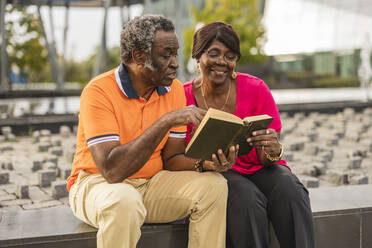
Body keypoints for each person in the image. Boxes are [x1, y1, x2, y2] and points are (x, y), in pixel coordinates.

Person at [67, 15, 237, 248]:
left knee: (214, 186)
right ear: (139, 57)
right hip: (97, 185)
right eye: (166, 55)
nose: (175, 63)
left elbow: (172, 158)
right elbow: (112, 170)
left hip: (151, 185)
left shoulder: (173, 89)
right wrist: (166, 121)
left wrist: (208, 164)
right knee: (124, 202)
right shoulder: (98, 91)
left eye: (175, 54)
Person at [183, 21, 315, 248]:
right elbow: (176, 155)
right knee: (246, 199)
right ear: (198, 56)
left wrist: (273, 149)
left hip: (258, 167)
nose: (221, 62)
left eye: (230, 56)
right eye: (213, 54)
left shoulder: (256, 88)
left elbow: (266, 158)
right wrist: (207, 162)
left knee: (290, 190)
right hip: (216, 172)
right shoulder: (182, 97)